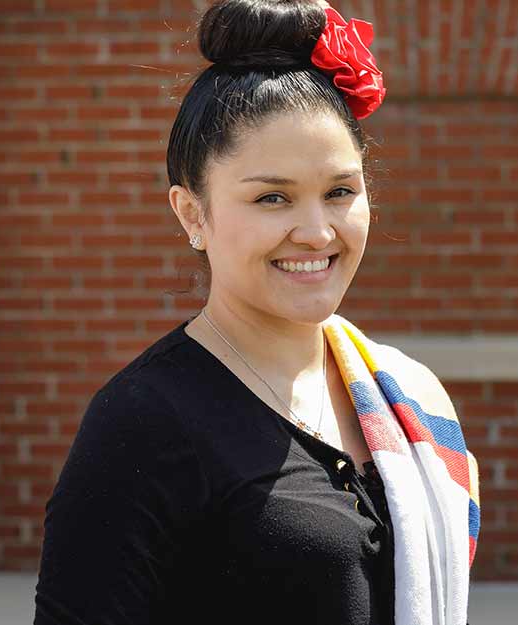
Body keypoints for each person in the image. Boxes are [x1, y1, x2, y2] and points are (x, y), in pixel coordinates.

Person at [33, 2, 479, 624]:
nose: (317, 232)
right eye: (273, 197)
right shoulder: (144, 422)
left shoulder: (410, 395)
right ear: (192, 214)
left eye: (340, 192)